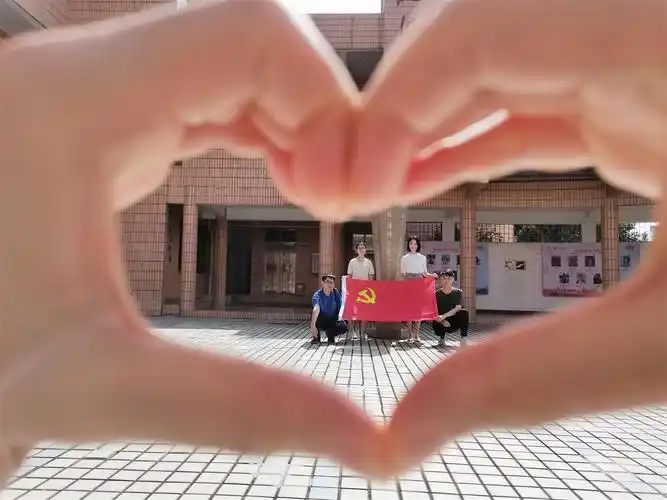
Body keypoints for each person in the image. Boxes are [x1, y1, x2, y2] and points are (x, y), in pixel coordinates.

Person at [0, 0, 665, 483]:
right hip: (366, 298)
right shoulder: (353, 265)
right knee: (352, 310)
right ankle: (357, 332)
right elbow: (357, 283)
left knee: (416, 308)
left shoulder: (411, 262)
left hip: (400, 296)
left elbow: (406, 282)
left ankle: (415, 334)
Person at [400, 236, 429, 343]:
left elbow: (425, 273)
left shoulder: (422, 257)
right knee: (409, 309)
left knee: (418, 309)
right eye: (411, 243)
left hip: (419, 282)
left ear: (418, 245)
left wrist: (433, 276)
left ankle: (417, 334)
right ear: (408, 245)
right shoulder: (404, 258)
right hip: (408, 282)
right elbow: (403, 273)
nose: (413, 245)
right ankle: (410, 334)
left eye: (415, 243)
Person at [432, 270, 469, 347]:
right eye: (443, 278)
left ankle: (463, 338)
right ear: (440, 280)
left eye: (448, 278)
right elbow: (433, 311)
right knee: (436, 319)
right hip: (440, 322)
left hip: (453, 322)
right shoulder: (436, 294)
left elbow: (458, 308)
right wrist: (442, 320)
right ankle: (441, 338)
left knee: (463, 312)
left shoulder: (458, 292)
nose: (446, 281)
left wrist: (444, 316)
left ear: (453, 279)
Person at [346, 242, 375, 340]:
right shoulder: (352, 262)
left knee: (364, 312)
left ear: (365, 250)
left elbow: (370, 276)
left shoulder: (369, 262)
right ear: (356, 250)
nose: (361, 249)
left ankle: (363, 332)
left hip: (365, 291)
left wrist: (370, 289)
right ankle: (351, 331)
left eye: (363, 248)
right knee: (352, 311)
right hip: (354, 290)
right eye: (359, 248)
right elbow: (349, 275)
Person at [310, 274, 348, 345]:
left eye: (332, 282)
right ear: (323, 283)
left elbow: (340, 307)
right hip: (321, 320)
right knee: (314, 314)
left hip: (332, 319)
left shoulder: (335, 293)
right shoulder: (317, 295)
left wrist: (342, 320)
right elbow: (316, 308)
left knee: (343, 326)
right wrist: (312, 325)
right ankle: (316, 337)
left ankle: (330, 335)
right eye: (327, 282)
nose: (330, 284)